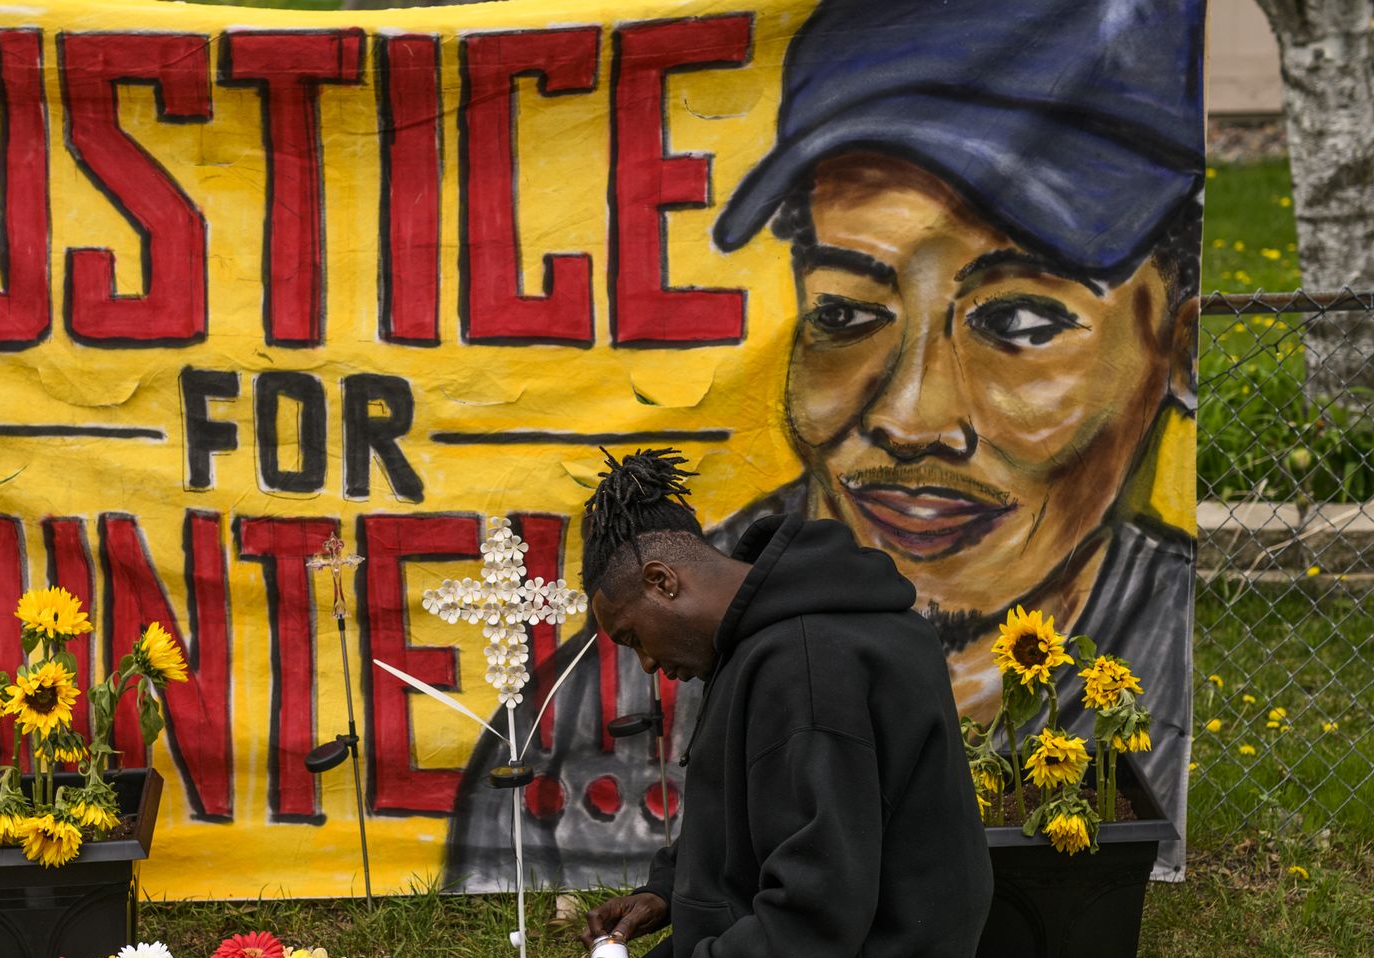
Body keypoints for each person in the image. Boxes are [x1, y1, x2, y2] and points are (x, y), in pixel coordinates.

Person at [446, 0, 1201, 889]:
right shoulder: (581, 708)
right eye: (845, 313)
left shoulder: (1152, 666)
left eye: (1021, 321)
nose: (912, 419)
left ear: (1175, 346)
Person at [552, 449, 990, 958]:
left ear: (662, 581)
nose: (645, 664)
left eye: (631, 637)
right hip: (822, 948)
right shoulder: (767, 632)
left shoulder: (805, 666)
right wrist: (667, 892)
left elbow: (822, 903)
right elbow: (754, 807)